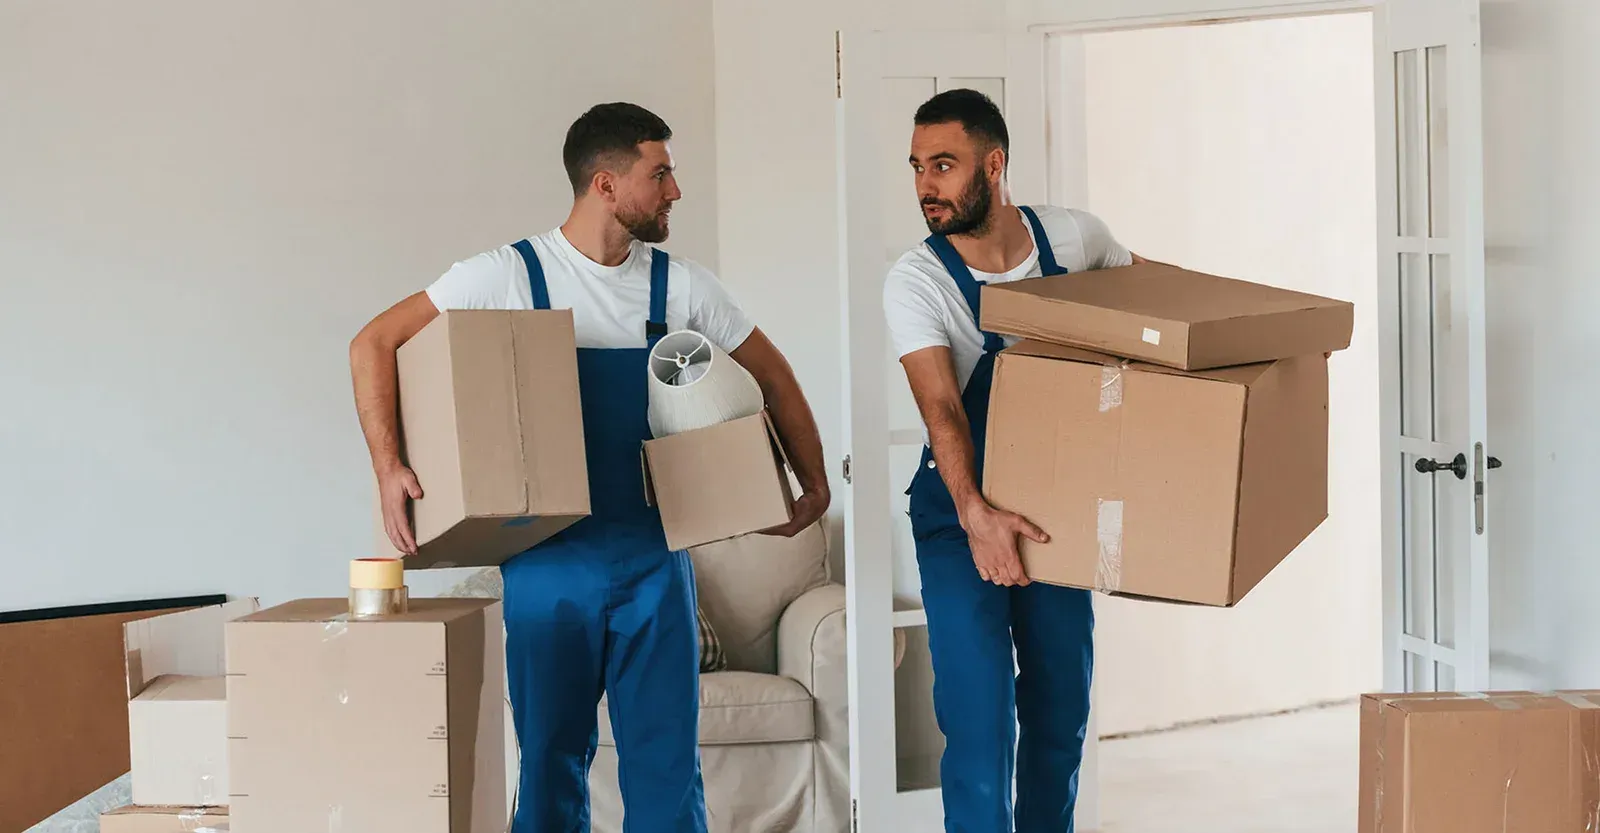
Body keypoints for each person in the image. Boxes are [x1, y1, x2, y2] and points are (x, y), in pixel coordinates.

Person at [348, 102, 830, 833]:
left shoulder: (680, 288)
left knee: (667, 768)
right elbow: (372, 342)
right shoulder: (510, 274)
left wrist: (813, 478)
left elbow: (776, 377)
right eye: (659, 173)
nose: (674, 190)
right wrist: (390, 467)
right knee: (549, 761)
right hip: (548, 563)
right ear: (604, 185)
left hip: (654, 561)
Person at [883, 88, 1141, 833]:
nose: (926, 185)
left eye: (943, 164)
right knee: (979, 718)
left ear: (992, 166)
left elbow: (1158, 309)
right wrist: (977, 513)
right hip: (957, 515)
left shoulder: (1074, 241)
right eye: (916, 167)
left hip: (1055, 509)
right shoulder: (917, 279)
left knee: (1061, 710)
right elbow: (942, 409)